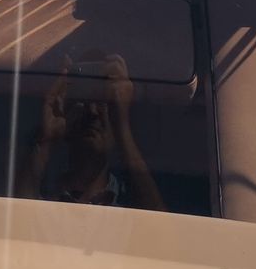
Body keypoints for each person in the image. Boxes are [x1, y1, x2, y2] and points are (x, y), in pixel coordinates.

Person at [19, 54, 163, 212]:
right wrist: (46, 139)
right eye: (82, 99)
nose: (92, 111)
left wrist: (123, 128)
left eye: (103, 102)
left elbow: (160, 224)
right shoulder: (44, 203)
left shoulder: (133, 209)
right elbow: (15, 217)